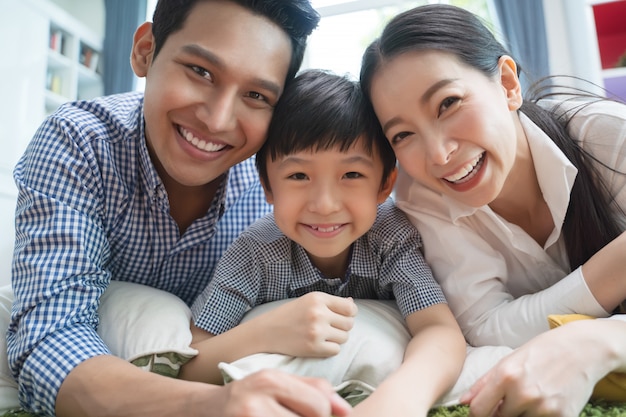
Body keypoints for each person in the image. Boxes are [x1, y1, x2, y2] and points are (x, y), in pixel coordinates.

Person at [6, 1, 354, 416]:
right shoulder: (80, 142)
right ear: (145, 51)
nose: (218, 119)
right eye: (200, 71)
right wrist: (214, 403)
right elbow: (51, 337)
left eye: (256, 95)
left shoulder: (284, 186)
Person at [359, 4, 626, 417]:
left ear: (506, 84)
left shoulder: (606, 137)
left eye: (447, 103)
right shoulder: (424, 198)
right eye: (403, 134)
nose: (439, 154)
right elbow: (486, 326)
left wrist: (597, 340)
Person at [179, 69, 466, 416]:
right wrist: (268, 332)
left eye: (351, 175)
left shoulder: (390, 237)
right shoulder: (254, 252)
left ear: (385, 184)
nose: (325, 205)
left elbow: (439, 329)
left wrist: (399, 400)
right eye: (298, 175)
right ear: (268, 186)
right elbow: (191, 362)